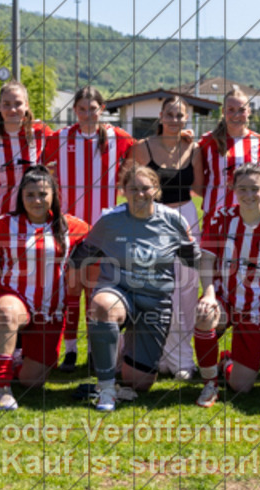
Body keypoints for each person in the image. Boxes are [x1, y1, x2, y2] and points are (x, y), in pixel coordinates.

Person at [77, 165, 201, 412]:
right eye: (133, 188)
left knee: (139, 383)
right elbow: (81, 255)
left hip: (156, 302)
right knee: (103, 306)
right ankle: (106, 388)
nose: (139, 194)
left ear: (156, 189)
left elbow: (193, 258)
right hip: (118, 290)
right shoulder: (110, 220)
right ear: (123, 191)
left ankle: (121, 364)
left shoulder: (174, 220)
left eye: (145, 188)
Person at [45, 86, 135, 371]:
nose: (87, 114)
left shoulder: (116, 136)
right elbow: (36, 158)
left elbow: (143, 152)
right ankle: (70, 351)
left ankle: (97, 352)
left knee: (97, 294)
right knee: (71, 294)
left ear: (101, 109)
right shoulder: (60, 137)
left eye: (92, 108)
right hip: (69, 230)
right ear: (75, 111)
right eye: (82, 109)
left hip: (103, 231)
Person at [0, 167, 89, 410]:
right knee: (8, 313)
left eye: (42, 194)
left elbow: (101, 236)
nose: (36, 200)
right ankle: (3, 388)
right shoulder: (4, 224)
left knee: (33, 381)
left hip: (50, 311)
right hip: (14, 298)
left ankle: (15, 362)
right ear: (21, 197)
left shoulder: (71, 226)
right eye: (30, 195)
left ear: (53, 195)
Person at [193, 164, 260, 407]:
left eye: (255, 189)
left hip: (255, 307)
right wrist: (208, 294)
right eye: (243, 189)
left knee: (242, 387)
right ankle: (210, 385)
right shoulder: (222, 217)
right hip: (224, 297)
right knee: (205, 314)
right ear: (233, 189)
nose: (249, 195)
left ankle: (226, 363)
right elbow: (206, 257)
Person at [129, 95, 204, 380]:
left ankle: (182, 358)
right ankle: (153, 355)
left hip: (186, 217)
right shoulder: (142, 148)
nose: (175, 120)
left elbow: (199, 187)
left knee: (185, 290)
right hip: (153, 218)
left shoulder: (194, 149)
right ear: (161, 116)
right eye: (170, 114)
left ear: (187, 119)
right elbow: (133, 188)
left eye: (180, 115)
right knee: (153, 289)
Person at [0, 81, 53, 222]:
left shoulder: (41, 131)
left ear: (26, 105)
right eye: (7, 104)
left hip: (33, 217)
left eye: (18, 104)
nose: (12, 109)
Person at [197, 86, 260, 230]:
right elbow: (197, 184)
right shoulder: (208, 141)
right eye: (231, 110)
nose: (236, 115)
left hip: (250, 214)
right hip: (215, 215)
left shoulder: (259, 142)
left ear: (249, 111)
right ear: (223, 112)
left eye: (241, 110)